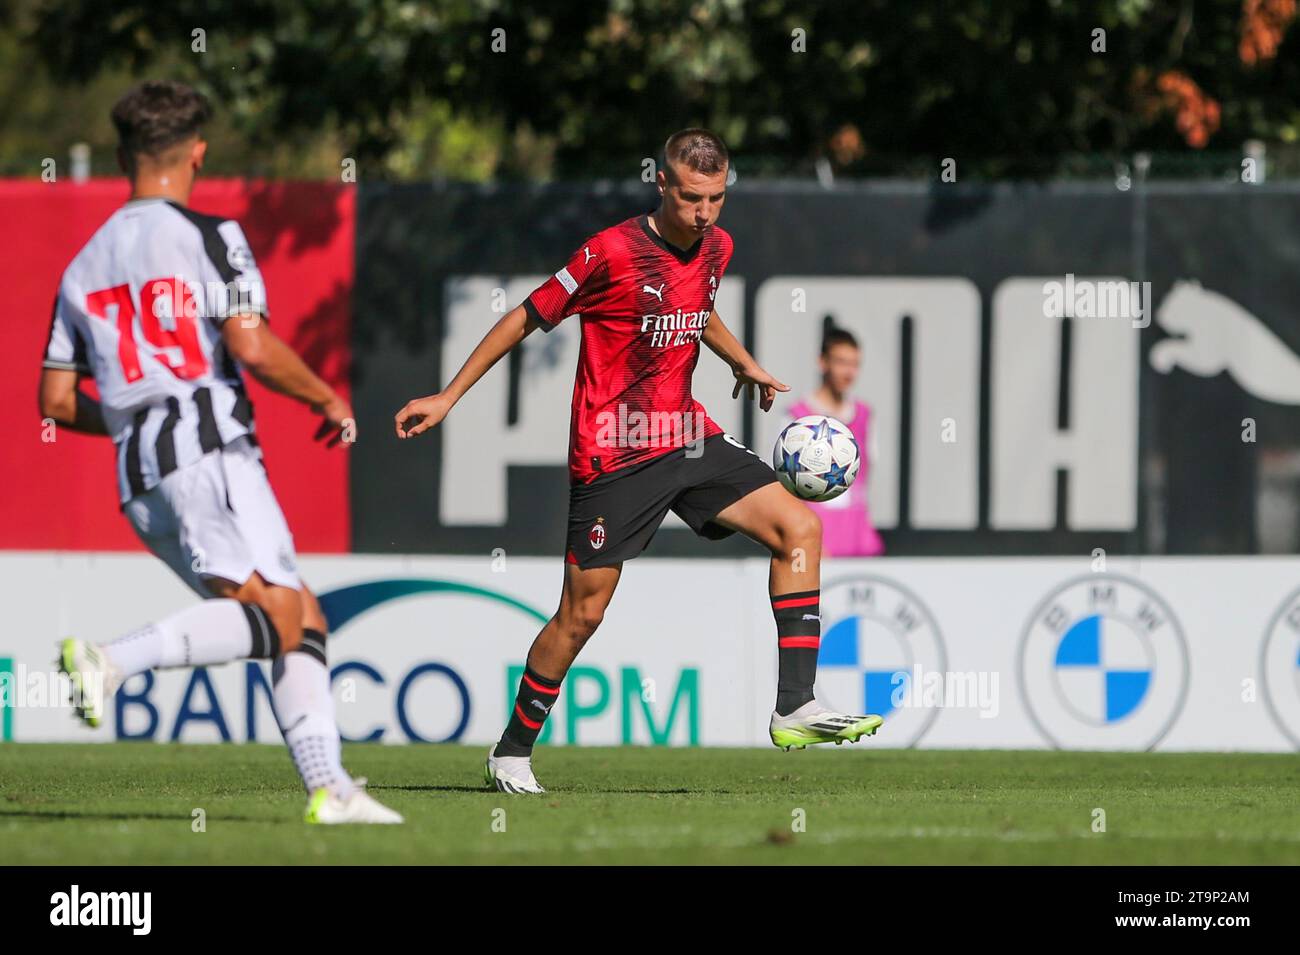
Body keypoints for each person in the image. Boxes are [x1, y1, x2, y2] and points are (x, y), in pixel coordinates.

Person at [395, 129, 882, 794]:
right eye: (689, 197)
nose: (703, 211)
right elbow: (523, 319)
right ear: (661, 182)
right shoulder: (609, 252)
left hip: (685, 435)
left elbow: (697, 308)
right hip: (614, 452)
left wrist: (741, 361)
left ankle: (795, 704)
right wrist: (450, 396)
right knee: (582, 615)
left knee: (800, 529)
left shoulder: (717, 245)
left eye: (714, 197)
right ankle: (511, 750)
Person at [41, 80, 401, 824]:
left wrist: (134, 418)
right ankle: (112, 661)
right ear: (198, 153)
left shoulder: (82, 266)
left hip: (139, 477)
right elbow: (251, 345)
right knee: (280, 616)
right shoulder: (212, 236)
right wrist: (325, 397)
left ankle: (329, 788)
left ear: (121, 157)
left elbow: (53, 399)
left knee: (300, 614)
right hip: (209, 453)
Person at [786, 324, 884, 557]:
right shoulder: (797, 417)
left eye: (854, 364)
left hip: (860, 544)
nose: (848, 372)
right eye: (841, 362)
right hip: (816, 546)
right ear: (822, 362)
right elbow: (784, 488)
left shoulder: (865, 415)